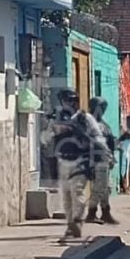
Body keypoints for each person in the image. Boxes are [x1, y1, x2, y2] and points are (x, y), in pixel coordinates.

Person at [40, 88, 109, 240]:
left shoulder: (85, 119)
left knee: (77, 194)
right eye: (67, 101)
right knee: (66, 197)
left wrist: (100, 155)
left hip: (80, 161)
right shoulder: (58, 118)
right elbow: (44, 139)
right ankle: (71, 223)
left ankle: (75, 225)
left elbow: (97, 137)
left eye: (72, 100)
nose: (70, 103)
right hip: (63, 161)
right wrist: (55, 129)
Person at [86, 97, 119, 225]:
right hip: (96, 160)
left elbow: (109, 143)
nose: (103, 110)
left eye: (104, 108)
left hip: (105, 160)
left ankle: (106, 212)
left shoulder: (103, 125)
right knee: (99, 188)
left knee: (106, 188)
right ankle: (91, 213)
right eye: (101, 107)